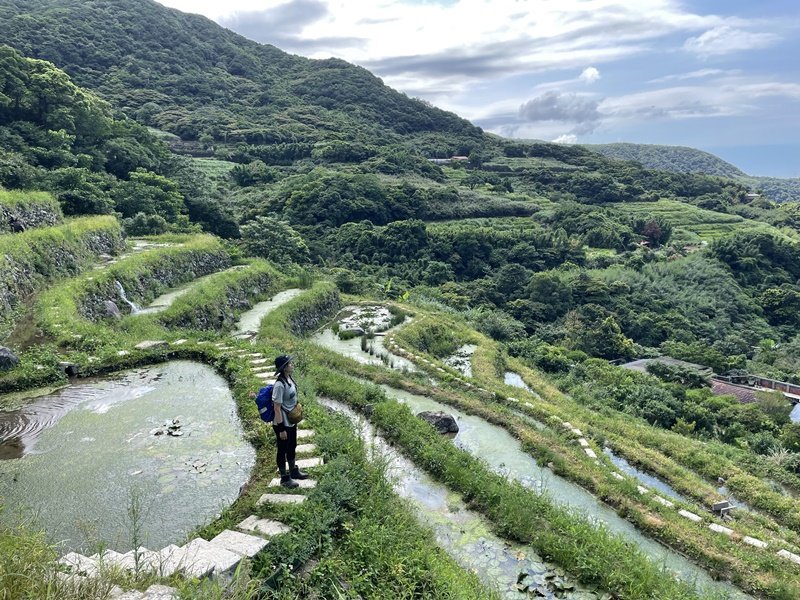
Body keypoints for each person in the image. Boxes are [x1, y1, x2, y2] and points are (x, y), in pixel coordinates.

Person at [271, 354, 308, 488]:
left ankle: (293, 471)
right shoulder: (279, 385)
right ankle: (284, 478)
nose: (292, 365)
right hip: (282, 423)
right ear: (284, 368)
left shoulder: (289, 379)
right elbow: (276, 408)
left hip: (291, 421)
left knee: (292, 445)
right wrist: (281, 429)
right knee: (282, 450)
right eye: (289, 363)